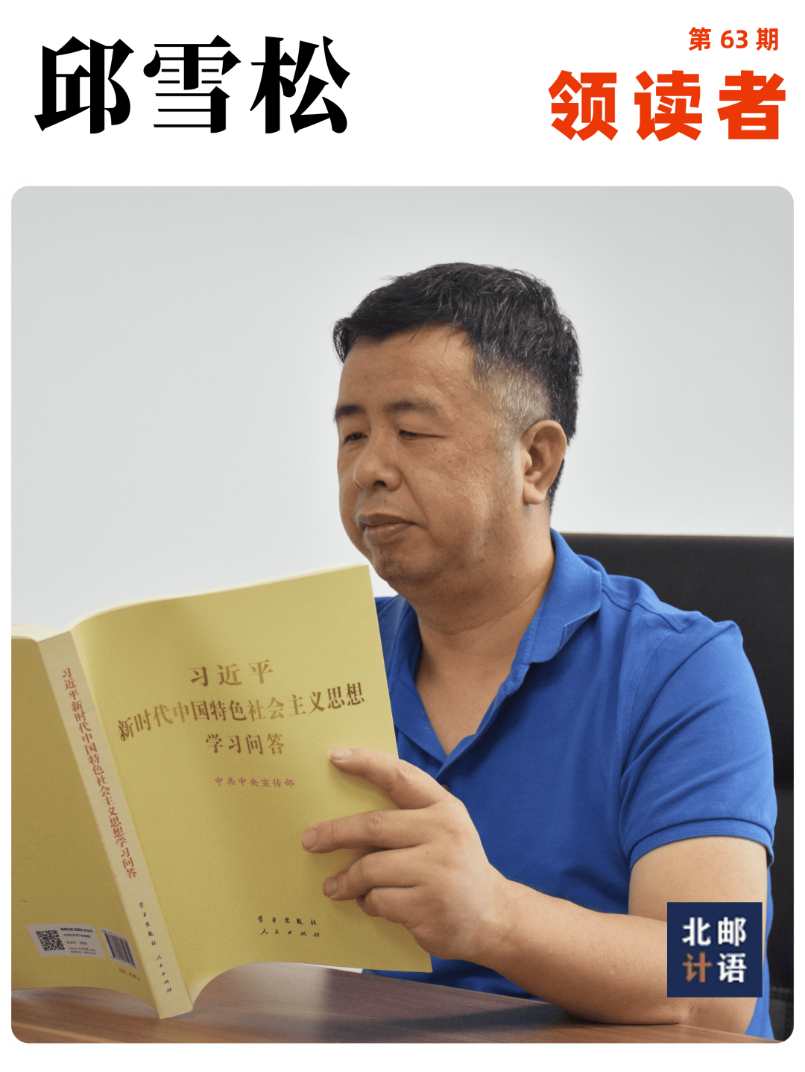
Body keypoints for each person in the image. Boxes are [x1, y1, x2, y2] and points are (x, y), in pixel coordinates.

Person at [301, 263, 776, 1037]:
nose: (368, 469)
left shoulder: (683, 671)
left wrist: (491, 915)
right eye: (352, 433)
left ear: (534, 461)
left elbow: (712, 981)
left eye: (411, 432)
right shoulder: (324, 660)